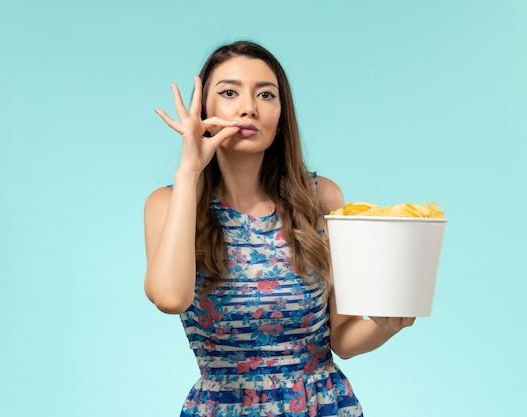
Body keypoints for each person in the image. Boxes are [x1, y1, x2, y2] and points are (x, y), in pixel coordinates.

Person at [144, 40, 415, 416]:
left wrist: (387, 324)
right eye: (228, 92)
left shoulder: (322, 197)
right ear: (204, 108)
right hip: (225, 407)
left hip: (322, 406)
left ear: (281, 113)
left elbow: (344, 337)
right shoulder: (167, 204)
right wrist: (189, 171)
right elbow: (170, 298)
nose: (248, 107)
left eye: (265, 94)